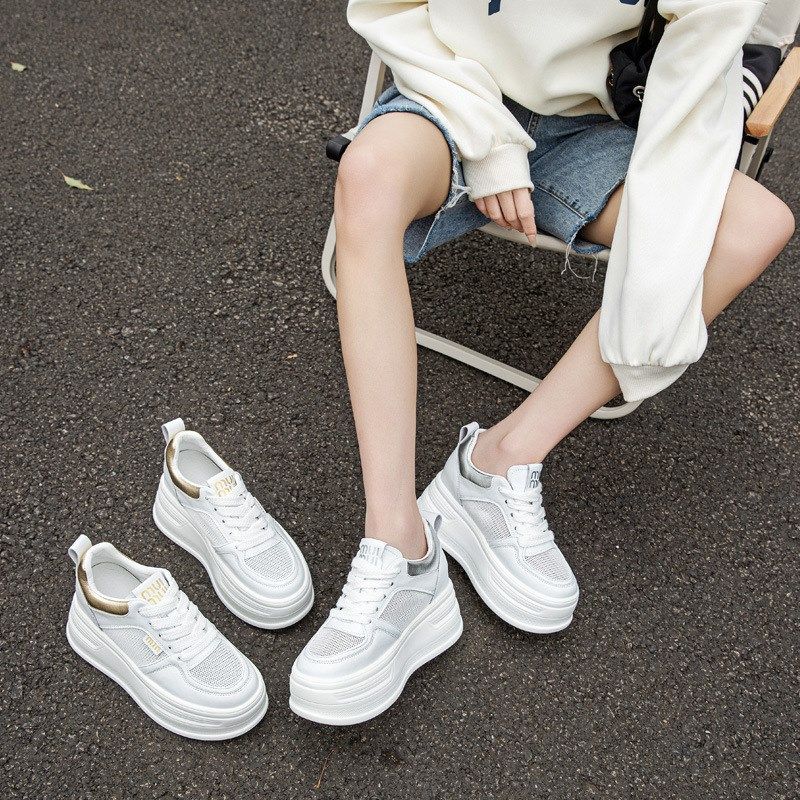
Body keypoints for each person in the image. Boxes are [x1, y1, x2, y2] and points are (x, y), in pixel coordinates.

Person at [288, 0, 795, 724]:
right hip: (451, 87)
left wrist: (659, 298)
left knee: (752, 228)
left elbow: (696, 89)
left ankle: (497, 462)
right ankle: (399, 544)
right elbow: (392, 11)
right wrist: (489, 143)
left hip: (599, 125)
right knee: (368, 175)